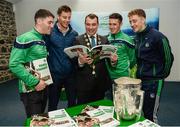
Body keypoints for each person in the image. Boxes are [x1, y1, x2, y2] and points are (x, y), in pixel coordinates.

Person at [128, 9, 174, 122]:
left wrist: (160, 75)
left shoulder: (158, 36)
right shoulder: (137, 37)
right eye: (130, 22)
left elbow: (168, 59)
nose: (132, 24)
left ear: (143, 19)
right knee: (141, 113)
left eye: (134, 21)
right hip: (140, 81)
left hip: (154, 83)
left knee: (151, 116)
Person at [9, 9, 54, 118]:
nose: (52, 25)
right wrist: (34, 82)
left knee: (41, 118)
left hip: (43, 86)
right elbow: (14, 65)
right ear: (39, 21)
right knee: (35, 121)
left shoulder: (42, 39)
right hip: (31, 90)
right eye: (50, 22)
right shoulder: (25, 38)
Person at [74, 13, 112, 105]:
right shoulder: (77, 40)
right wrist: (80, 62)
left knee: (99, 112)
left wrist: (113, 60)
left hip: (100, 84)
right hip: (83, 85)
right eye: (88, 24)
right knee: (83, 114)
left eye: (93, 24)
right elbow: (73, 63)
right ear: (85, 24)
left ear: (98, 25)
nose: (90, 27)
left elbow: (109, 62)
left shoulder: (104, 40)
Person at [46, 5, 78, 111]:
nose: (67, 20)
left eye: (69, 17)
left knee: (72, 103)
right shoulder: (50, 32)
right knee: (53, 104)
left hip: (71, 75)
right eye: (64, 17)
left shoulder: (74, 34)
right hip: (55, 75)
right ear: (58, 17)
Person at [105, 13, 136, 100]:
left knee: (122, 105)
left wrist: (124, 69)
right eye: (110, 24)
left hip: (123, 77)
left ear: (120, 24)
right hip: (108, 77)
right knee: (109, 105)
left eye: (114, 24)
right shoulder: (106, 39)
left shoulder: (127, 39)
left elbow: (133, 59)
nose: (111, 26)